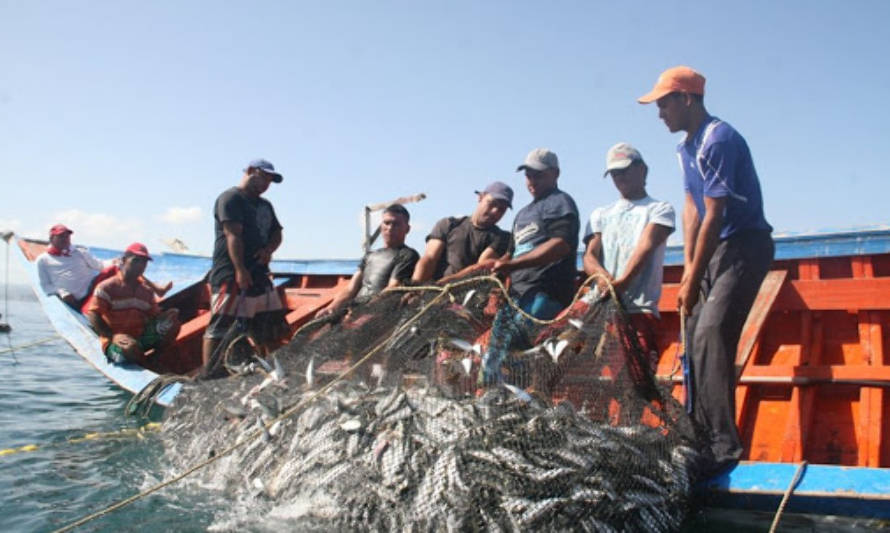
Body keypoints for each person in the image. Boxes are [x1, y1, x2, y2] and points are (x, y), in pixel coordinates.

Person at [639, 66, 774, 476]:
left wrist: (695, 278)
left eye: (664, 103)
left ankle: (723, 447)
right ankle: (697, 436)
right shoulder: (684, 149)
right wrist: (688, 271)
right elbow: (692, 209)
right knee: (694, 332)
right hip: (714, 251)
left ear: (687, 99)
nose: (660, 112)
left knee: (713, 331)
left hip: (745, 246)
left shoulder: (719, 140)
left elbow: (716, 213)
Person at [482, 148, 580, 385]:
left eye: (538, 175)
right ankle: (491, 404)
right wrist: (499, 283)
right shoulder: (523, 213)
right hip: (515, 297)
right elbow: (510, 253)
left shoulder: (560, 202)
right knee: (491, 358)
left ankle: (522, 406)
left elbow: (561, 245)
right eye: (528, 175)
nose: (532, 181)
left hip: (544, 295)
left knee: (517, 356)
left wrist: (514, 264)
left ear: (555, 174)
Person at [582, 142, 675, 363]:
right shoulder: (600, 214)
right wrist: (603, 279)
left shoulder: (660, 209)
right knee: (552, 343)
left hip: (637, 309)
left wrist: (623, 281)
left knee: (636, 380)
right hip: (598, 306)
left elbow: (647, 245)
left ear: (642, 169)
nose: (619, 177)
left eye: (624, 170)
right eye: (614, 173)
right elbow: (589, 256)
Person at [203, 159, 289, 370]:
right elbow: (233, 235)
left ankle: (272, 371)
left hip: (260, 274)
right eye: (264, 177)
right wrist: (240, 270)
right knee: (220, 327)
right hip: (231, 275)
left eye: (270, 180)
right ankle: (209, 374)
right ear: (250, 171)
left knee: (272, 327)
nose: (267, 183)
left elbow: (277, 232)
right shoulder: (230, 198)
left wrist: (268, 250)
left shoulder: (265, 205)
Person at [36, 224, 171, 311]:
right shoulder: (43, 260)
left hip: (93, 286)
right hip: (75, 298)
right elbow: (45, 286)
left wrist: (114, 261)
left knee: (122, 266)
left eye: (67, 236)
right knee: (90, 310)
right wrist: (61, 291)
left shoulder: (79, 252)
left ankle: (156, 290)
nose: (66, 239)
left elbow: (99, 266)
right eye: (61, 237)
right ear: (52, 238)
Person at [86, 243, 181, 364]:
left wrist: (167, 315)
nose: (140, 265)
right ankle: (145, 365)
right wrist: (112, 336)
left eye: (144, 262)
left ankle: (154, 359)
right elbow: (93, 314)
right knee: (130, 348)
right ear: (124, 260)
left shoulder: (146, 291)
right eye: (136, 260)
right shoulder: (107, 287)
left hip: (139, 337)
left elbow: (153, 315)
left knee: (173, 324)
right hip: (117, 341)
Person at [319, 204, 419, 316]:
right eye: (386, 223)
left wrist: (363, 310)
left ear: (407, 229)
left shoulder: (408, 255)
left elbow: (392, 289)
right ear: (381, 226)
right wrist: (332, 307)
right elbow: (351, 289)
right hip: (354, 310)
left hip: (379, 315)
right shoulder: (370, 256)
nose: (390, 228)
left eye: (396, 224)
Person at [411, 181, 513, 284]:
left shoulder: (503, 238)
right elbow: (430, 258)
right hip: (433, 291)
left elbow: (480, 269)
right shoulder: (448, 224)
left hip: (470, 293)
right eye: (492, 203)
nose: (495, 211)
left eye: (501, 209)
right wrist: (415, 287)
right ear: (481, 197)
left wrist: (447, 282)